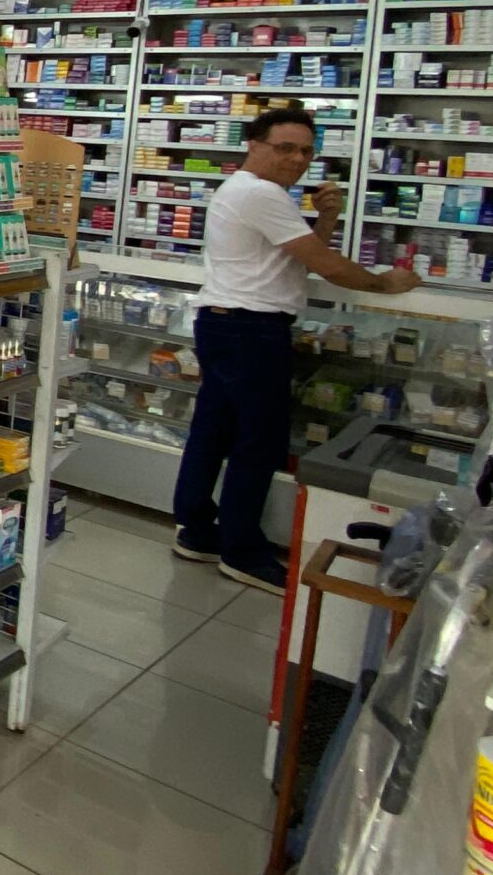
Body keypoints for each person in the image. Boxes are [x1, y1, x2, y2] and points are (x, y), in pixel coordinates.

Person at [172, 105, 419, 594]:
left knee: (212, 433)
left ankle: (197, 531)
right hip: (252, 332)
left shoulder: (248, 191)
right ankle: (242, 552)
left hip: (224, 325)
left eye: (307, 151)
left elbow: (297, 260)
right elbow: (327, 266)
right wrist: (385, 283)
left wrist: (327, 216)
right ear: (254, 145)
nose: (298, 159)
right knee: (257, 444)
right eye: (285, 148)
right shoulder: (261, 193)